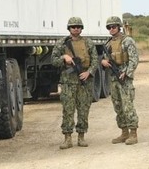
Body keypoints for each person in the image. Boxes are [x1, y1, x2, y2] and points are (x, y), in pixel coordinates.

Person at [51, 16, 99, 149]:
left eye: (78, 27)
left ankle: (81, 136)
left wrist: (89, 72)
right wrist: (63, 57)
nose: (76, 29)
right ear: (69, 29)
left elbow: (95, 60)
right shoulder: (62, 43)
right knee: (68, 110)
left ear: (81, 29)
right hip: (68, 82)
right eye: (73, 27)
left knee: (83, 109)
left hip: (84, 81)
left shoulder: (88, 43)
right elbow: (53, 60)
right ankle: (67, 138)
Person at [101, 16, 140, 145]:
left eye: (114, 26)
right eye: (109, 27)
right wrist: (104, 62)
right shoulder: (108, 44)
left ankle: (133, 133)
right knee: (118, 106)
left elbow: (134, 59)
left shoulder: (127, 41)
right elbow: (104, 59)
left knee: (128, 105)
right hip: (113, 78)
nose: (111, 29)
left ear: (119, 27)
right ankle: (124, 132)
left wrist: (126, 73)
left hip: (124, 79)